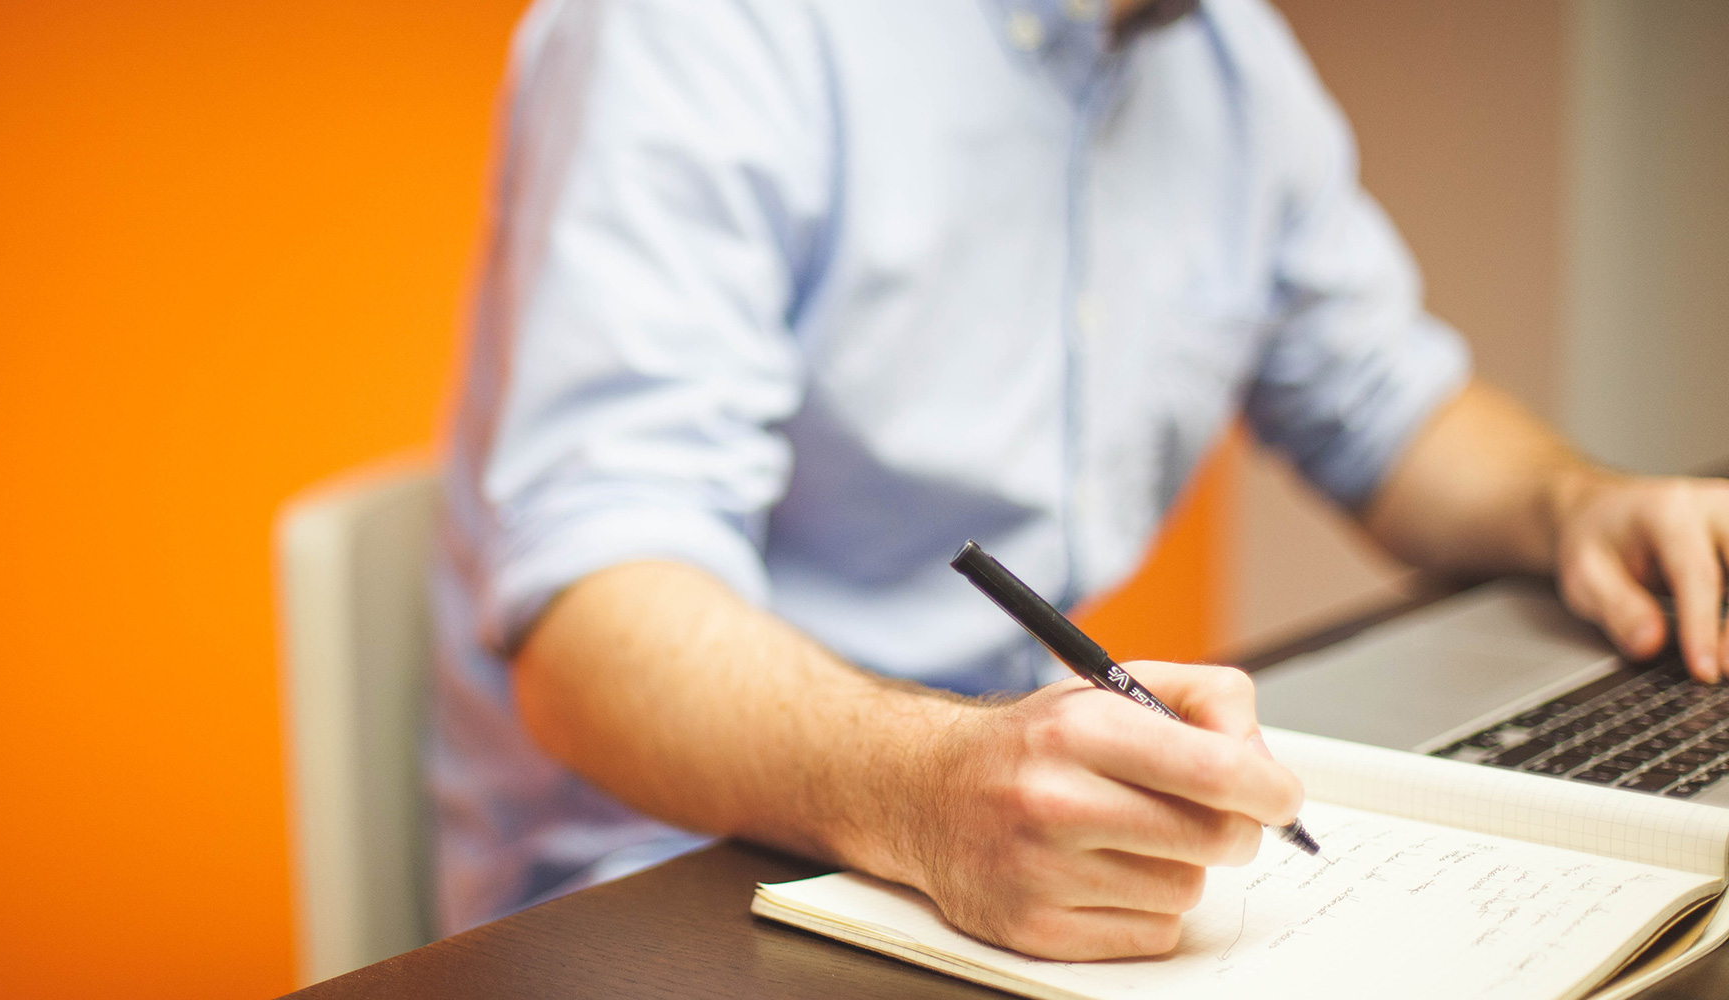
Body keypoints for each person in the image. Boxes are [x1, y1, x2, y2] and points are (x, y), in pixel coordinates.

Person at [428, 0, 1729, 957]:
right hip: (677, 884)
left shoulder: (1227, 64)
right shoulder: (701, 33)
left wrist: (1577, 505)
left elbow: (1384, 405)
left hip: (1018, 833)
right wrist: (927, 793)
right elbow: (593, 621)